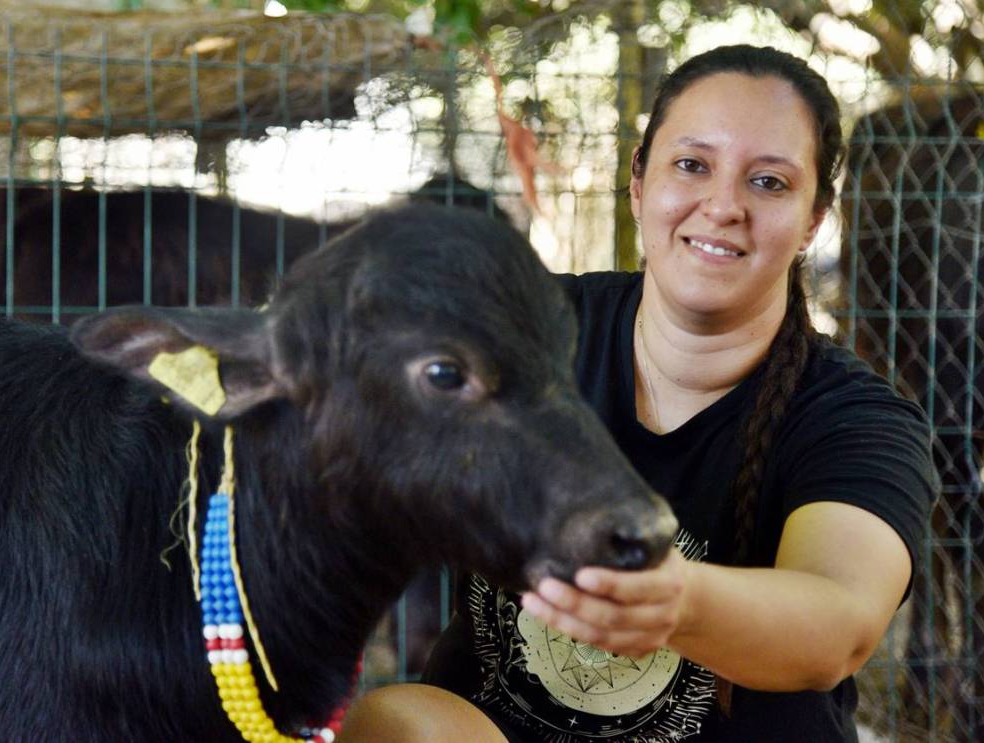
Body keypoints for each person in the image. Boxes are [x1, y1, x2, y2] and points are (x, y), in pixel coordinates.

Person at [339, 44, 934, 742]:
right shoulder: (527, 335)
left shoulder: (856, 418)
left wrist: (675, 600)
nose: (723, 205)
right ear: (639, 182)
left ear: (813, 219)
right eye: (692, 165)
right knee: (399, 720)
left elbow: (839, 623)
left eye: (769, 182)